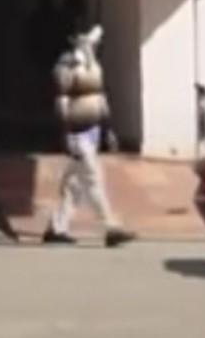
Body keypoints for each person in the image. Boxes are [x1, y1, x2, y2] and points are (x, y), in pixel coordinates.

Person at [43, 24, 136, 247]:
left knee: (73, 185)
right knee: (93, 179)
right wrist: (65, 133)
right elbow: (62, 100)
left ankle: (57, 227)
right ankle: (110, 227)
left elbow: (100, 97)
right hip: (77, 133)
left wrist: (108, 128)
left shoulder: (92, 64)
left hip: (92, 131)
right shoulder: (66, 67)